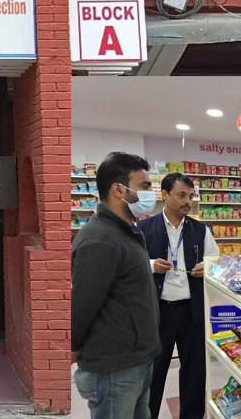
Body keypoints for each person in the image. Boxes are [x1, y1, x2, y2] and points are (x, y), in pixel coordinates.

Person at [72, 152, 161, 419]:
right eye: (144, 186)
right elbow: (83, 303)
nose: (150, 194)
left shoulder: (125, 231)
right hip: (114, 367)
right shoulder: (100, 239)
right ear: (118, 190)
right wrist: (73, 346)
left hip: (136, 358)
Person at [141, 173, 219, 419]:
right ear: (164, 195)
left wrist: (208, 267)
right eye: (182, 195)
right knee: (153, 372)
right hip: (158, 312)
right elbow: (129, 264)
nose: (188, 201)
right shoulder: (143, 228)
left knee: (195, 372)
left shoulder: (200, 229)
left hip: (192, 310)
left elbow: (216, 261)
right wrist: (151, 265)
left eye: (191, 196)